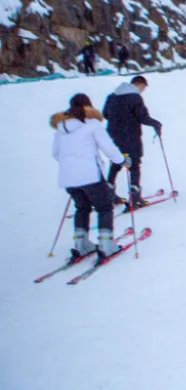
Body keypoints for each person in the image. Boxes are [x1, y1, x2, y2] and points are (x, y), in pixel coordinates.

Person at [51, 94, 129, 259]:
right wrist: (123, 160)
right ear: (88, 107)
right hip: (90, 175)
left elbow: (56, 154)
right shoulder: (92, 124)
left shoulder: (60, 128)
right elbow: (108, 148)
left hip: (68, 177)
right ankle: (106, 244)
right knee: (104, 207)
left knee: (82, 207)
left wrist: (71, 166)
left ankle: (81, 244)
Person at [103, 76, 162, 209]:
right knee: (134, 163)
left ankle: (109, 191)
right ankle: (134, 197)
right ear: (139, 84)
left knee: (117, 160)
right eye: (144, 87)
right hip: (130, 135)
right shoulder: (135, 97)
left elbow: (105, 114)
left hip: (114, 134)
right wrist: (156, 123)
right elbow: (142, 117)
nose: (143, 90)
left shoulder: (112, 96)